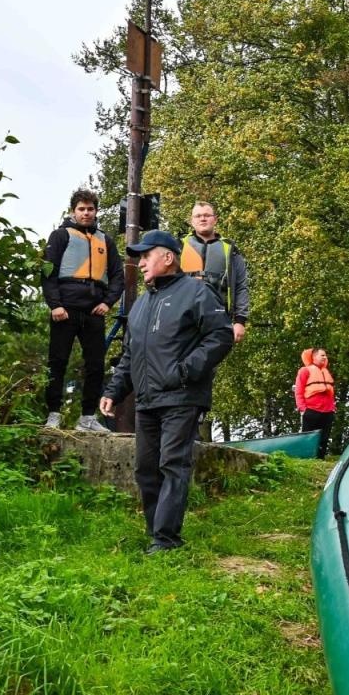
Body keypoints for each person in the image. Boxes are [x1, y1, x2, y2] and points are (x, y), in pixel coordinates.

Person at [99, 230, 234, 553]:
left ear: (168, 257)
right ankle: (155, 533)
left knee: (172, 464)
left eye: (147, 256)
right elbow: (131, 354)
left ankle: (166, 539)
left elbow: (221, 336)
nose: (141, 263)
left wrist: (187, 370)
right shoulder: (142, 304)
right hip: (147, 400)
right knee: (145, 468)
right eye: (139, 257)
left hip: (182, 397)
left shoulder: (197, 293)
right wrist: (114, 391)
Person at [42, 187, 124, 431]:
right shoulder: (60, 236)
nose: (86, 213)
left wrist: (107, 302)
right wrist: (55, 304)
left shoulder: (105, 240)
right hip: (65, 309)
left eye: (90, 209)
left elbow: (117, 275)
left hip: (93, 310)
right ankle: (53, 414)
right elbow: (47, 272)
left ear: (96, 211)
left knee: (96, 365)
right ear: (73, 211)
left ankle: (87, 417)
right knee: (57, 362)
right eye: (82, 209)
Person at [181, 200, 251, 344]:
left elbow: (241, 286)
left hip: (217, 318)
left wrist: (240, 321)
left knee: (208, 363)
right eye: (198, 216)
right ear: (191, 221)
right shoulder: (178, 246)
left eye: (207, 215)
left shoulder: (230, 250)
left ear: (215, 219)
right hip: (183, 317)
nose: (203, 218)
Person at [294, 348, 336, 457]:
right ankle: (305, 459)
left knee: (324, 438)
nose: (325, 357)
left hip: (328, 411)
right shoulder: (305, 371)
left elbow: (330, 393)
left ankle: (320, 459)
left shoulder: (326, 372)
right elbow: (298, 391)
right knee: (307, 437)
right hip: (311, 410)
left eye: (325, 355)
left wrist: (332, 408)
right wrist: (303, 408)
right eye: (322, 355)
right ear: (314, 357)